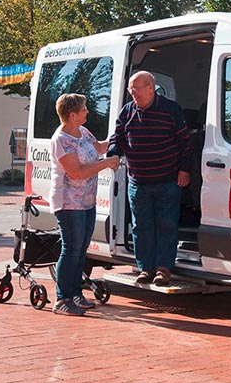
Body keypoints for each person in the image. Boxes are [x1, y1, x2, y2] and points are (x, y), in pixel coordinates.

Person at [108, 71, 193, 286]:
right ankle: (145, 268)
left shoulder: (170, 109)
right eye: (131, 91)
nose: (133, 94)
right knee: (141, 227)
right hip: (138, 182)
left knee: (166, 226)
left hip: (168, 180)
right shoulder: (127, 111)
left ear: (151, 87)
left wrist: (184, 169)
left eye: (136, 90)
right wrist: (113, 153)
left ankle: (163, 269)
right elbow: (117, 137)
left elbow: (185, 143)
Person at [49, 93, 120, 316]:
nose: (87, 111)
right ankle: (62, 299)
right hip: (68, 203)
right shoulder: (61, 140)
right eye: (83, 109)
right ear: (72, 114)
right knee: (71, 249)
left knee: (81, 250)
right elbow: (77, 173)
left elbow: (99, 148)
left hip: (87, 201)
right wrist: (106, 164)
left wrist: (121, 135)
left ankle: (76, 294)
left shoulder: (83, 132)